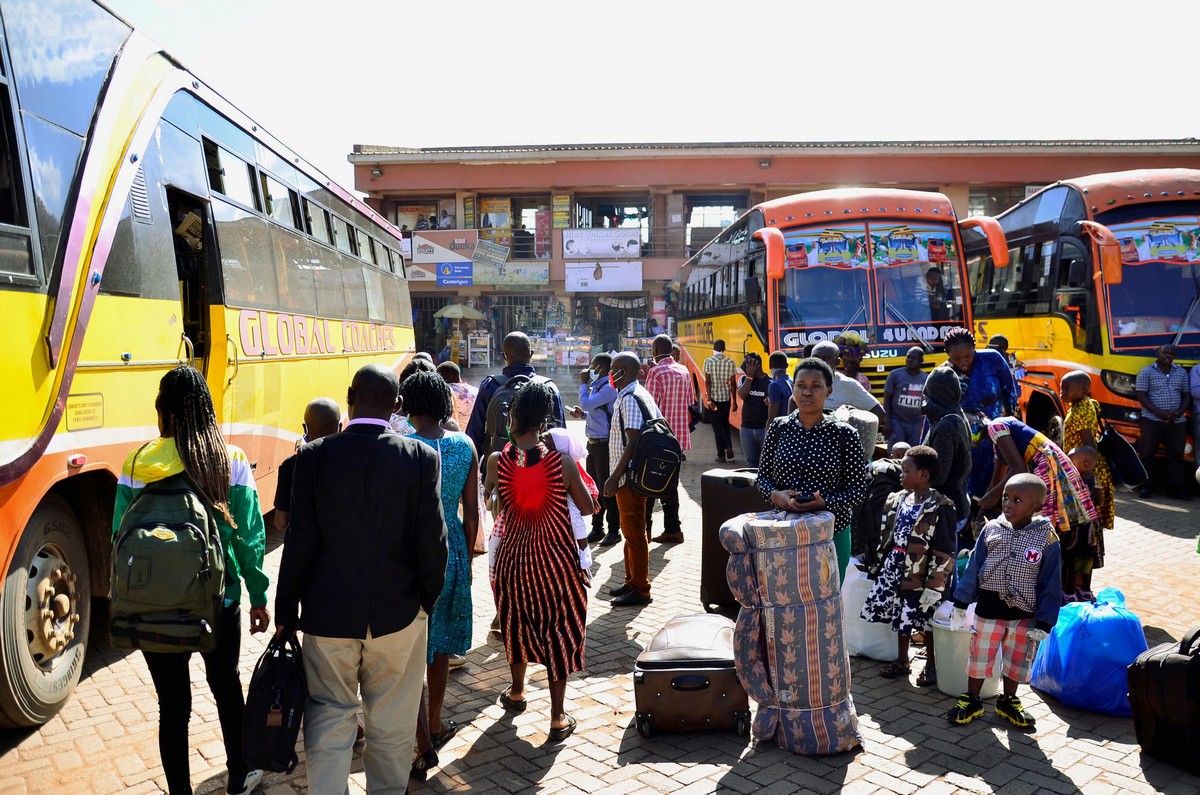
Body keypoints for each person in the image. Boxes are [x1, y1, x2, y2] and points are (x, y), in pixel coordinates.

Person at [274, 364, 447, 794]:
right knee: (392, 723)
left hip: (327, 616)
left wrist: (285, 609)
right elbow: (434, 542)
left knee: (329, 717)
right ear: (399, 406)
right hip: (400, 615)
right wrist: (425, 601)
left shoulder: (313, 458)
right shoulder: (421, 457)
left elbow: (299, 542)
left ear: (349, 396)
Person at [113, 365, 269, 795]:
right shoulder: (229, 458)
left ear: (162, 412)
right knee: (225, 687)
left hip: (152, 605)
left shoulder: (137, 462)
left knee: (172, 707)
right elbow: (250, 538)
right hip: (218, 601)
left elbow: (117, 536)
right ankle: (240, 775)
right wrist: (258, 596)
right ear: (207, 410)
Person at [483, 380, 594, 740]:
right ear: (543, 422)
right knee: (559, 629)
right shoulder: (561, 463)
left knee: (515, 621)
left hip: (513, 561)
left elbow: (491, 504)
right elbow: (588, 507)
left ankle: (517, 692)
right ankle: (557, 717)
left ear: (512, 417)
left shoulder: (497, 461)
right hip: (556, 562)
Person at [400, 370, 479, 782]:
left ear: (409, 405)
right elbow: (472, 512)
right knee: (441, 646)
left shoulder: (402, 446)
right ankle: (435, 721)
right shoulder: (465, 445)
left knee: (410, 649)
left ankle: (419, 739)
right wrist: (465, 561)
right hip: (453, 553)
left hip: (410, 557)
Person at [947, 473, 1062, 730]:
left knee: (1017, 659)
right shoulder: (991, 529)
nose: (1008, 504)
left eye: (1017, 500)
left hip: (1024, 615)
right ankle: (972, 699)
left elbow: (1051, 583)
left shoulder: (1047, 539)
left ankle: (1008, 700)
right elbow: (974, 568)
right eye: (1005, 498)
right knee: (980, 655)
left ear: (1036, 507)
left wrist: (1045, 621)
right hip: (988, 610)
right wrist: (961, 602)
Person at [756, 357, 868, 582]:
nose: (807, 392)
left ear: (829, 391)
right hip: (782, 532)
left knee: (826, 600)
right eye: (801, 386)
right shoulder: (779, 428)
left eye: (816, 386)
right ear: (793, 389)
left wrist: (825, 502)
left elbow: (858, 491)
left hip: (831, 534)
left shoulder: (845, 434)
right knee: (785, 599)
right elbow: (762, 479)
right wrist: (776, 495)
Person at [861, 446, 956, 687]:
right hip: (896, 567)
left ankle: (931, 666)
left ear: (923, 475)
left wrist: (936, 584)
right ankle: (902, 660)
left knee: (927, 617)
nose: (901, 475)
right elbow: (887, 534)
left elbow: (944, 548)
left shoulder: (941, 506)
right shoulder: (898, 499)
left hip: (924, 572)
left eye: (906, 471)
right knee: (901, 613)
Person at [602, 351, 665, 607]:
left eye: (613, 370)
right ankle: (631, 581)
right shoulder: (637, 393)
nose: (609, 375)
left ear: (623, 372)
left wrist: (614, 477)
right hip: (634, 476)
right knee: (632, 532)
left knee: (635, 533)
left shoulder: (630, 397)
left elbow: (633, 440)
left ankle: (640, 588)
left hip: (629, 478)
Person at [980, 416, 1098, 538]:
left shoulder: (995, 427)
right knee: (1055, 517)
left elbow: (1019, 468)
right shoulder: (999, 439)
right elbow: (997, 478)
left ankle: (1048, 548)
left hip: (1047, 464)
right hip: (1050, 461)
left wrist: (993, 496)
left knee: (1046, 521)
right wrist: (985, 503)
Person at [941, 327, 1017, 500]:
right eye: (957, 358)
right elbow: (937, 410)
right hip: (966, 441)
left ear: (974, 348)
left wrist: (1012, 428)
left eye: (968, 356)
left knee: (997, 485)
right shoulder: (943, 375)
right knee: (966, 487)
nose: (963, 361)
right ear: (948, 354)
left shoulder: (993, 359)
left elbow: (1010, 394)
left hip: (998, 437)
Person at [466, 331, 565, 464]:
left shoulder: (490, 385)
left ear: (504, 356)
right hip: (542, 470)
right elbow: (561, 436)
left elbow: (475, 433)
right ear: (531, 354)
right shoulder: (549, 387)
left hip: (499, 468)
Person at [1060, 370, 1114, 594]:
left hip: (1082, 472)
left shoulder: (1080, 410)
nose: (1062, 393)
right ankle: (1082, 586)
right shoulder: (1090, 404)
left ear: (1082, 390)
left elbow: (1088, 446)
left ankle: (1076, 586)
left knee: (1078, 539)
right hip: (1086, 468)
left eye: (1066, 389)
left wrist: (1081, 471)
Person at [644, 334, 692, 543]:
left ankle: (646, 529)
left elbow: (648, 407)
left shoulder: (655, 372)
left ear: (655, 351)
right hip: (678, 439)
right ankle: (673, 527)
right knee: (672, 484)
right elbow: (690, 401)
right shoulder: (683, 370)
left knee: (650, 481)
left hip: (659, 437)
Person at [570, 353, 621, 547]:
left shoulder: (608, 388)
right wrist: (583, 414)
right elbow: (592, 410)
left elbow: (586, 403)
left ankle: (614, 530)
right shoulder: (598, 387)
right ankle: (597, 527)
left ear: (600, 368)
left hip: (604, 444)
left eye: (592, 365)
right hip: (593, 443)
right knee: (594, 488)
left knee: (606, 488)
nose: (589, 369)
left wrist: (582, 383)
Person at [273, 397, 342, 531]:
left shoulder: (290, 465)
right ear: (339, 427)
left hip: (300, 549)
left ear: (305, 429)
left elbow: (280, 523)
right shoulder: (349, 462)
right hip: (337, 548)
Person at [1135, 344, 1192, 500]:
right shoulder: (1146, 371)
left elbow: (1186, 395)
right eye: (1165, 352)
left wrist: (1179, 413)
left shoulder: (1180, 372)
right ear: (1157, 353)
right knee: (1147, 454)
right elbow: (1141, 395)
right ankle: (1146, 487)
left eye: (1171, 353)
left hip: (1177, 421)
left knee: (1177, 455)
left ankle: (1175, 490)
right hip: (1152, 420)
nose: (1168, 355)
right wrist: (1159, 413)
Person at [921, 367, 973, 539]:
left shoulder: (947, 425)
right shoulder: (953, 414)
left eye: (928, 394)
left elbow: (938, 476)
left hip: (948, 509)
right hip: (955, 503)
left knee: (944, 565)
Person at [811, 341, 888, 437]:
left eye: (827, 358)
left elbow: (878, 412)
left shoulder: (848, 385)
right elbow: (793, 404)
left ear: (838, 361)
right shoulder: (804, 381)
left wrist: (862, 440)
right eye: (816, 357)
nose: (821, 362)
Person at [1064, 446, 1104, 603]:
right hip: (1092, 528)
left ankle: (1068, 591)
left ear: (1084, 464)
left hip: (1076, 528)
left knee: (1071, 559)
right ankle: (1085, 590)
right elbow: (1100, 501)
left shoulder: (1072, 481)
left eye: (1070, 460)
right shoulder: (1096, 480)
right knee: (1088, 559)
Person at [883, 347, 928, 449]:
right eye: (908, 357)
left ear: (921, 361)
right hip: (897, 421)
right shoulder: (895, 375)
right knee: (896, 451)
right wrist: (887, 422)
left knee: (914, 454)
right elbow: (887, 399)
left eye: (913, 358)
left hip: (916, 423)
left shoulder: (926, 378)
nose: (909, 360)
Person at [703, 339, 738, 463]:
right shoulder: (730, 362)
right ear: (724, 349)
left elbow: (708, 381)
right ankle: (728, 446)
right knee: (725, 423)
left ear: (714, 348)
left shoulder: (708, 361)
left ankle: (721, 455)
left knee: (717, 427)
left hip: (713, 401)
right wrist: (734, 402)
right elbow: (733, 383)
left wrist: (709, 399)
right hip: (726, 399)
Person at [735, 352, 770, 467]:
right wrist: (749, 376)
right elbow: (742, 395)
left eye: (747, 366)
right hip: (747, 429)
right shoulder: (744, 379)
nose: (744, 369)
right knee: (750, 464)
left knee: (766, 464)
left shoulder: (770, 382)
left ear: (756, 365)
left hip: (764, 429)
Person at [438, 360, 479, 432]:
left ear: (445, 377)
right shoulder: (477, 391)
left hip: (453, 438)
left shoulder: (444, 392)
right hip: (474, 437)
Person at [766, 351, 793, 424]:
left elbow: (772, 417)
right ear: (787, 365)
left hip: (782, 428)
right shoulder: (793, 381)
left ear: (770, 366)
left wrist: (768, 434)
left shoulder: (774, 385)